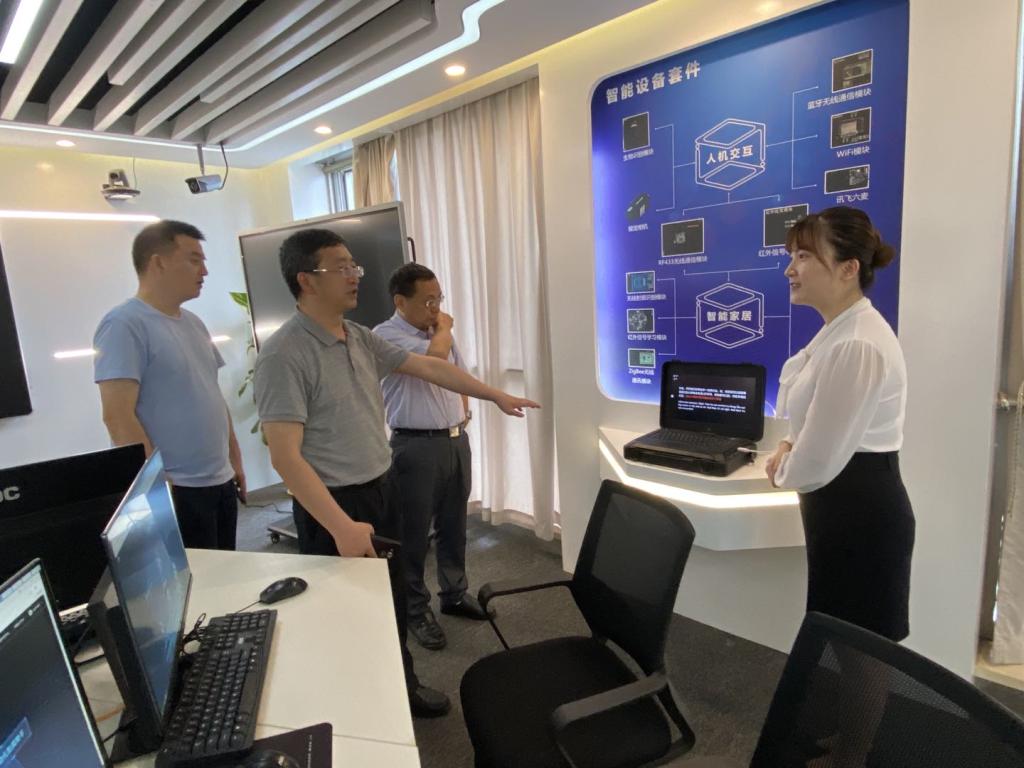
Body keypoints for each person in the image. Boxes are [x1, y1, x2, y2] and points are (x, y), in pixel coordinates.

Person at [252, 229, 539, 717]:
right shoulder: (284, 354)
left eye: (354, 266)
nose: (354, 275)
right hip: (337, 503)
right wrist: (340, 526)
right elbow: (285, 457)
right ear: (306, 280)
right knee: (349, 611)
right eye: (341, 267)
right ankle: (365, 705)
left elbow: (432, 369)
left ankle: (398, 687)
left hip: (381, 485)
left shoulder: (357, 337)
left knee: (386, 597)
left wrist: (494, 395)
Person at [765, 206, 914, 766]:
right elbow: (808, 423)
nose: (791, 269)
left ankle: (853, 756)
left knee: (862, 652)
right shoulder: (840, 331)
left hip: (860, 511)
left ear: (849, 267)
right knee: (846, 640)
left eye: (804, 256)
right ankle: (852, 739)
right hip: (840, 507)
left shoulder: (858, 343)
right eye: (791, 256)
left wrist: (783, 466)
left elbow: (819, 461)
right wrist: (788, 447)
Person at [94, 220, 246, 551]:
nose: (204, 271)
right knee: (191, 579)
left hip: (218, 481)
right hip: (176, 488)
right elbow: (117, 416)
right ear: (158, 262)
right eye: (194, 260)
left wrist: (234, 458)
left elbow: (211, 395)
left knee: (224, 571)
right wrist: (155, 489)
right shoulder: (123, 324)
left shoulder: (194, 323)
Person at [374, 264, 488, 652]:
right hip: (415, 446)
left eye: (439, 299)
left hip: (454, 440)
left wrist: (464, 416)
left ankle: (454, 593)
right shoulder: (385, 335)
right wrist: (445, 327)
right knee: (413, 534)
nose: (436, 308)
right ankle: (415, 610)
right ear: (400, 301)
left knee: (454, 524)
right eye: (428, 301)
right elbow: (436, 361)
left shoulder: (436, 332)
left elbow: (459, 376)